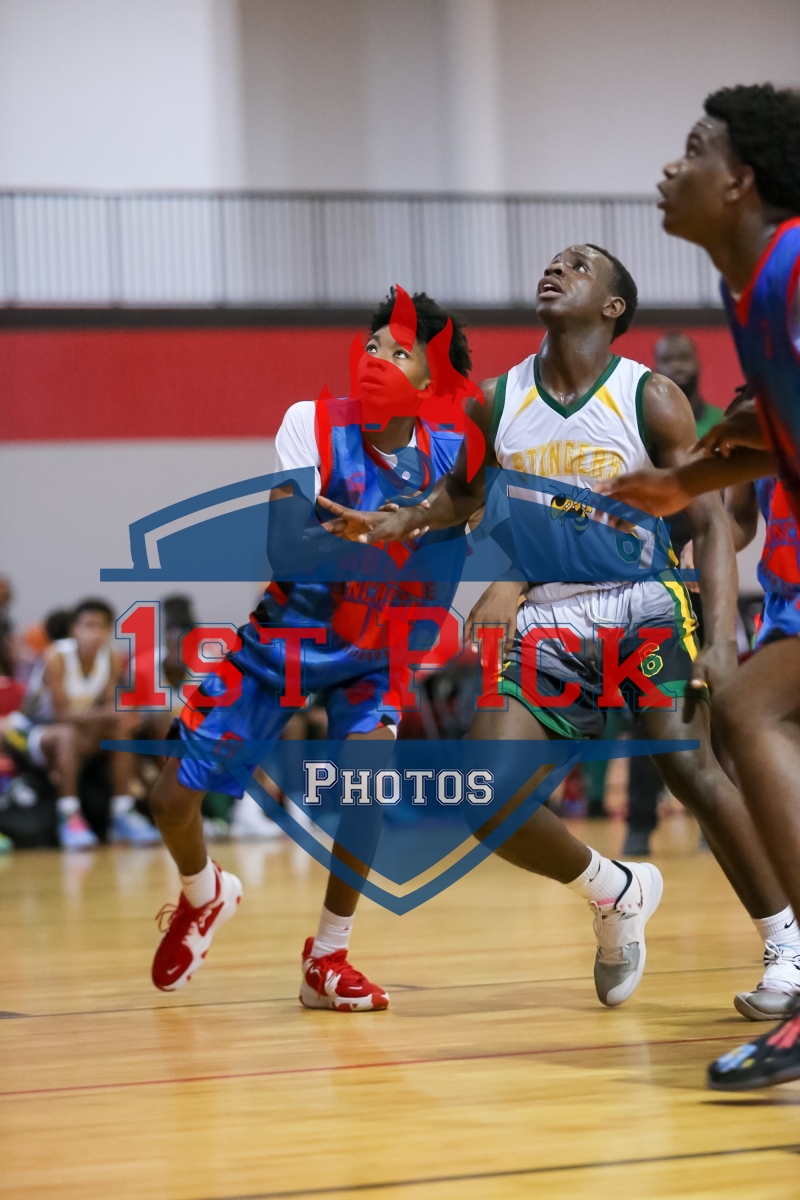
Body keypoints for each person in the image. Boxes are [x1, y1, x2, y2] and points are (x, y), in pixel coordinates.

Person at [319, 242, 798, 1014]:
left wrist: (718, 638)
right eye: (553, 262)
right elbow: (462, 494)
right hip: (549, 614)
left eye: (578, 265)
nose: (556, 269)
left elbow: (711, 524)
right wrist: (399, 520)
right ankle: (614, 890)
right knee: (485, 795)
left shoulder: (651, 397)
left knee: (691, 768)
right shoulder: (497, 400)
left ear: (613, 306)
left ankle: (786, 946)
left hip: (644, 600)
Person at [148, 289, 469, 1010]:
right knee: (169, 800)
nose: (378, 358)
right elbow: (286, 547)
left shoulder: (455, 458)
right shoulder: (312, 423)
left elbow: (491, 533)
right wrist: (379, 534)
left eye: (401, 351)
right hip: (286, 638)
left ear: (431, 382)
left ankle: (328, 956)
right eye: (374, 345)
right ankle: (204, 894)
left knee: (366, 785)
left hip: (378, 649)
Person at [596, 84, 800, 1088]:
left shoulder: (794, 269)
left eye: (693, 148)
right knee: (750, 712)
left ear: (739, 180)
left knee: (748, 708)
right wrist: (681, 485)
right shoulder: (745, 289)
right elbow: (777, 441)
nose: (669, 166)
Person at [622, 333, 724, 856]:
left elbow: (725, 514)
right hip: (655, 583)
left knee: (716, 699)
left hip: (708, 580)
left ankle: (714, 821)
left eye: (684, 357)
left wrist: (707, 552)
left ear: (698, 362)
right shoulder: (647, 423)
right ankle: (640, 822)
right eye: (667, 360)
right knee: (650, 702)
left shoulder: (720, 424)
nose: (677, 366)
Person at [4, 598, 159, 849]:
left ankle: (123, 811)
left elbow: (109, 706)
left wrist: (125, 713)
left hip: (79, 731)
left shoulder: (111, 657)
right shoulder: (57, 657)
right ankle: (69, 815)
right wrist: (112, 713)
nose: (94, 633)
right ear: (74, 629)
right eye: (88, 626)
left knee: (121, 727)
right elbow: (61, 714)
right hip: (34, 732)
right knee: (68, 733)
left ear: (109, 631)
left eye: (101, 626)